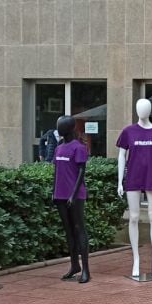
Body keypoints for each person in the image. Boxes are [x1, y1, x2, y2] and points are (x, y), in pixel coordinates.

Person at [117, 98, 152, 279]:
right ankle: (136, 259)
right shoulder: (128, 131)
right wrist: (120, 181)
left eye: (145, 108)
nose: (142, 111)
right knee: (133, 217)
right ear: (136, 109)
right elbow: (121, 156)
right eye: (139, 108)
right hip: (133, 177)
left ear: (150, 110)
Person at [53, 116, 90, 284]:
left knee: (79, 229)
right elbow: (57, 172)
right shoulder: (59, 148)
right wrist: (54, 192)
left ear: (69, 128)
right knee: (68, 232)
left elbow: (81, 172)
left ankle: (86, 270)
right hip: (60, 195)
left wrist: (73, 195)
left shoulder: (79, 148)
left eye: (61, 126)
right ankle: (74, 265)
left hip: (75, 196)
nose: (58, 128)